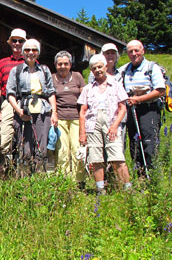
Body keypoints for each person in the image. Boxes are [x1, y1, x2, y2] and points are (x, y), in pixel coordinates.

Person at [78, 54, 132, 195]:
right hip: (92, 123)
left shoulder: (116, 85)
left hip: (110, 122)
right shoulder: (88, 89)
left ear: (105, 67)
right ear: (91, 71)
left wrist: (114, 126)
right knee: (96, 158)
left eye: (100, 67)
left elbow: (123, 108)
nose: (97, 70)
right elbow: (83, 112)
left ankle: (127, 189)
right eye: (94, 68)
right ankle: (100, 189)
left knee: (117, 157)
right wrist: (82, 133)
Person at [6, 39, 58, 174]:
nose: (30, 53)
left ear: (38, 53)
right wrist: (18, 111)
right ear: (23, 52)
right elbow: (10, 93)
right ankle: (24, 181)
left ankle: (39, 181)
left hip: (42, 110)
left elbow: (51, 92)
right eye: (27, 50)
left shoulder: (45, 70)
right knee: (24, 147)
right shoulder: (16, 70)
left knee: (42, 147)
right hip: (23, 109)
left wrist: (54, 113)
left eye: (34, 50)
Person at [120, 39, 166, 174]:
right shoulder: (125, 69)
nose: (134, 54)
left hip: (149, 109)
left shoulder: (152, 67)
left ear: (143, 51)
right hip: (132, 110)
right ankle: (140, 175)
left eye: (136, 50)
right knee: (134, 144)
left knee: (149, 143)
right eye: (130, 51)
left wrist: (138, 99)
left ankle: (151, 176)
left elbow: (160, 90)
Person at [0, 28, 27, 176]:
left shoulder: (32, 62)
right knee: (4, 139)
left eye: (20, 41)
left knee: (26, 138)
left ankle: (22, 174)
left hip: (26, 102)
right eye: (14, 40)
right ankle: (4, 172)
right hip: (7, 102)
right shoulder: (2, 63)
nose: (17, 43)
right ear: (10, 43)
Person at [51, 50, 86, 186]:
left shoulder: (77, 77)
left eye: (66, 63)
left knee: (77, 149)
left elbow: (84, 98)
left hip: (77, 118)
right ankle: (64, 179)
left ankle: (79, 180)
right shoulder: (52, 78)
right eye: (60, 64)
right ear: (55, 64)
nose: (63, 66)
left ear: (70, 64)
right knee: (62, 150)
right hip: (60, 118)